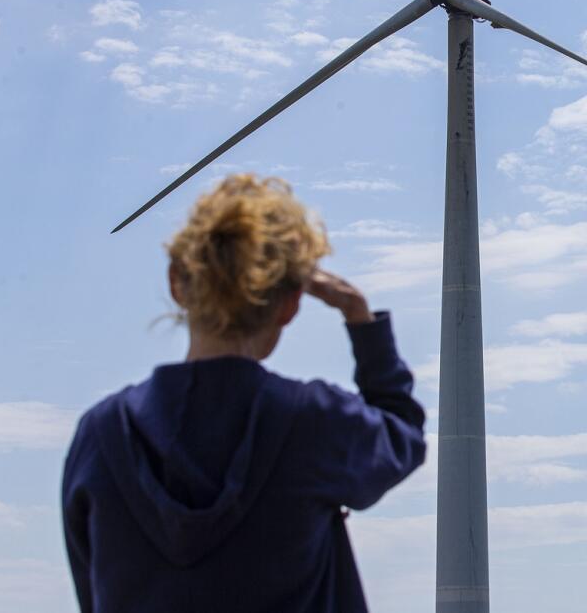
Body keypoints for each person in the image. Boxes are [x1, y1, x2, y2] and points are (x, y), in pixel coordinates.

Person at [61, 174, 426, 612]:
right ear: (291, 304)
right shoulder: (313, 422)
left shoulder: (101, 436)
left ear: (177, 283)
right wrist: (361, 319)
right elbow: (402, 437)